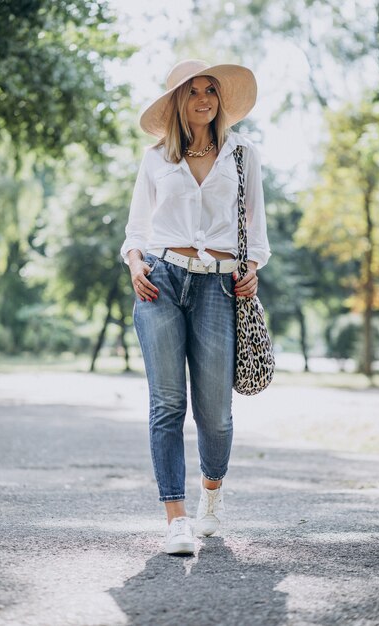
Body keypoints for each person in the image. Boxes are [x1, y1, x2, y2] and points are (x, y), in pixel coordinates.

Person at [120, 59, 271, 555]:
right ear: (178, 102)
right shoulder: (155, 159)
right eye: (193, 91)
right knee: (167, 405)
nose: (204, 98)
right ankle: (175, 519)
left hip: (219, 288)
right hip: (160, 282)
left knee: (216, 414)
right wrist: (134, 264)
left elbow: (257, 230)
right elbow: (137, 230)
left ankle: (211, 494)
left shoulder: (243, 154)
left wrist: (251, 268)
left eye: (211, 90)